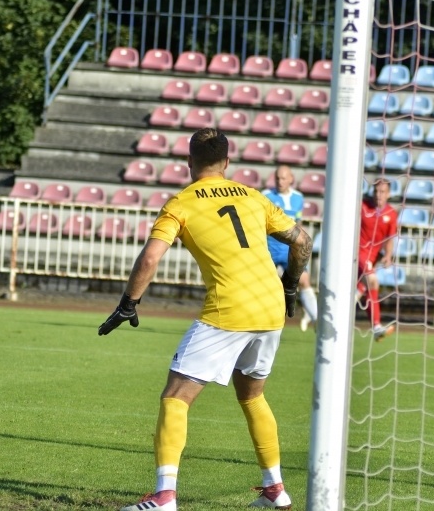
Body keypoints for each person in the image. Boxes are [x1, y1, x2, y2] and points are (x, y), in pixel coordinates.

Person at [98, 128, 312, 511]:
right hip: (270, 308)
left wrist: (129, 303)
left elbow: (150, 258)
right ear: (227, 162)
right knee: (253, 396)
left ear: (189, 162)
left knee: (176, 396)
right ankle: (275, 490)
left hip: (228, 310)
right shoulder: (254, 196)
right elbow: (302, 241)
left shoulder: (181, 203)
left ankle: (164, 496)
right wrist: (291, 285)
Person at [262, 165, 319, 332]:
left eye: (283, 178)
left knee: (304, 280)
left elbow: (298, 223)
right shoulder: (266, 195)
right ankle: (265, 324)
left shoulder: (298, 198)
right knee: (267, 286)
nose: (280, 181)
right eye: (277, 178)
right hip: (271, 249)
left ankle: (316, 320)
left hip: (289, 249)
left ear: (291, 179)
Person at [357, 177, 398, 341]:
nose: (378, 195)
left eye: (382, 192)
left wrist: (388, 255)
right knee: (373, 282)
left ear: (388, 194)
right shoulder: (362, 206)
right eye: (376, 191)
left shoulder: (391, 214)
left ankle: (325, 315)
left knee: (359, 289)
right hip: (357, 253)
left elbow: (390, 238)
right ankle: (376, 326)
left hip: (371, 258)